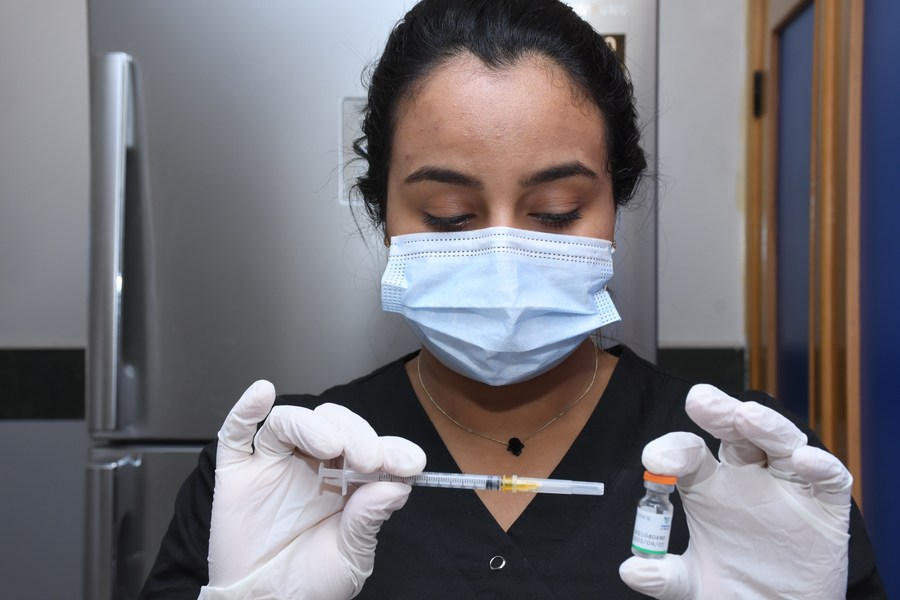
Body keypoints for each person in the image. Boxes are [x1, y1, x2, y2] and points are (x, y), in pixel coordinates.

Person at [141, 0, 884, 597]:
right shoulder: (286, 472)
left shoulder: (743, 466)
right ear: (385, 217)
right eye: (450, 218)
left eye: (556, 211)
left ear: (613, 211)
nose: (502, 259)